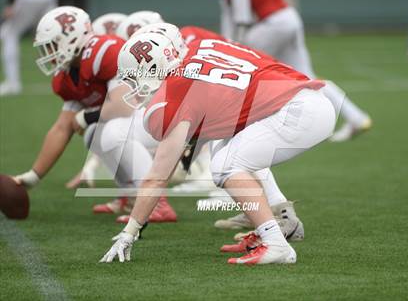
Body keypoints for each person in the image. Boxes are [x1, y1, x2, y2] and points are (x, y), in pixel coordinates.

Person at [100, 25, 336, 264]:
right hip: (305, 97)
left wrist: (130, 231)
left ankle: (276, 244)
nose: (137, 83)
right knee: (227, 147)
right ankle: (270, 225)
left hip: (297, 111)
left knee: (225, 165)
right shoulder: (200, 46)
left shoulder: (175, 91)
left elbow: (158, 176)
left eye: (137, 75)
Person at [11, 6, 175, 223]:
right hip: (145, 119)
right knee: (93, 134)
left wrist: (88, 116)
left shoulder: (102, 52)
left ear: (71, 38)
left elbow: (124, 105)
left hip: (168, 114)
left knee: (113, 131)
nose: (49, 53)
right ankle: (130, 194)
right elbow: (62, 128)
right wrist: (34, 176)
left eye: (52, 44)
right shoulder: (68, 75)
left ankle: (156, 202)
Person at [216, 0, 371, 142]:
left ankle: (238, 130)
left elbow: (240, 20)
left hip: (273, 24)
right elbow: (231, 16)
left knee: (245, 72)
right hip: (289, 19)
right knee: (309, 79)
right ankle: (357, 118)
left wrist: (231, 47)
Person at [0, 0, 57, 96]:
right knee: (53, 35)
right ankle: (67, 78)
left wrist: (10, 3)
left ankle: (12, 84)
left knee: (9, 34)